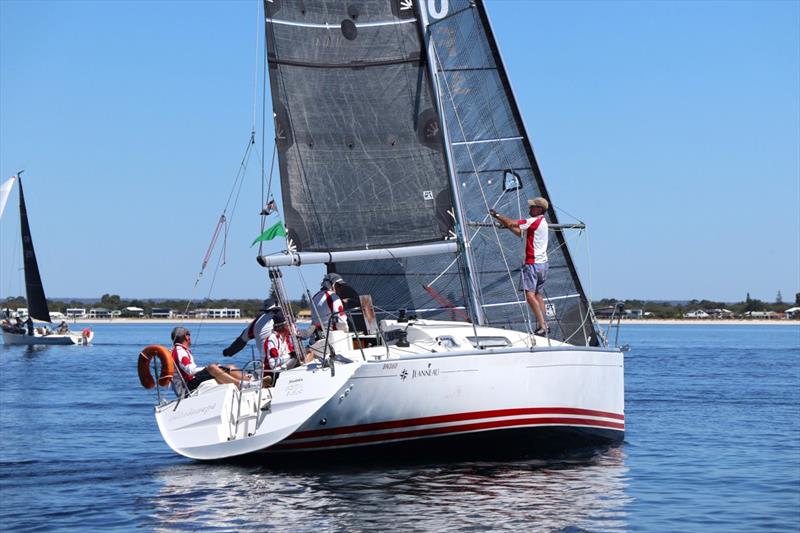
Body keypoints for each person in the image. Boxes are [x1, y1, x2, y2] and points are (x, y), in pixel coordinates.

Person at [490, 197, 550, 336]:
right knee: (538, 295)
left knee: (529, 295)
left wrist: (497, 215)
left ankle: (542, 325)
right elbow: (519, 232)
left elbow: (512, 222)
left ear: (540, 209)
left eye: (532, 207)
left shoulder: (533, 221)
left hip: (533, 264)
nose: (530, 209)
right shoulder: (542, 222)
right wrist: (508, 226)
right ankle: (545, 324)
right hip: (543, 265)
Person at [170, 326, 249, 392]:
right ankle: (241, 384)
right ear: (186, 337)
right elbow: (190, 371)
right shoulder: (180, 351)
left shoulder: (178, 350)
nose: (190, 337)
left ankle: (249, 381)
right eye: (189, 335)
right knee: (212, 367)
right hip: (188, 386)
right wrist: (208, 368)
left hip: (190, 383)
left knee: (230, 367)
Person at [263, 318, 301, 385]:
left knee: (307, 353)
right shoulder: (273, 339)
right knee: (297, 357)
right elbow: (272, 364)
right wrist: (290, 355)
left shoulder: (286, 339)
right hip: (276, 372)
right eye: (292, 324)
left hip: (285, 369)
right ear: (286, 326)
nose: (294, 327)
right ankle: (270, 381)